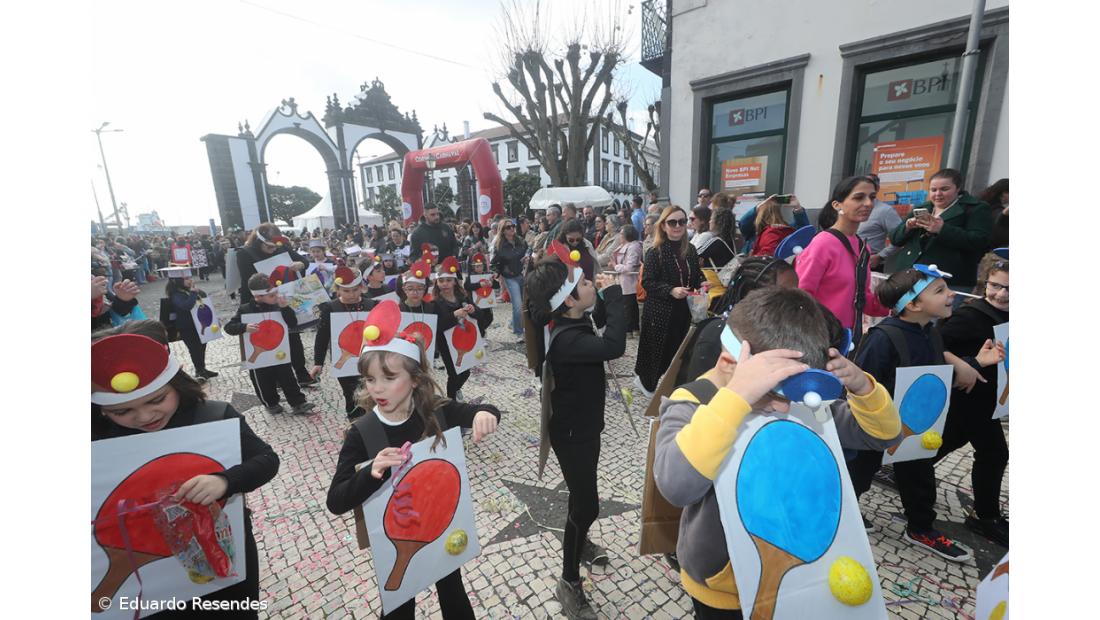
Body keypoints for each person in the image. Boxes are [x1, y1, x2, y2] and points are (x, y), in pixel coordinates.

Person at [653, 287, 900, 618]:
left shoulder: (799, 402)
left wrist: (862, 386)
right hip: (722, 586)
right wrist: (737, 398)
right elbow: (676, 485)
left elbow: (883, 435)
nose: (784, 408)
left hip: (796, 577)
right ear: (729, 363)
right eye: (772, 394)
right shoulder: (692, 403)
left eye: (791, 397)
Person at [325, 300, 500, 620]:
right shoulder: (362, 433)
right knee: (399, 606)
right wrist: (372, 471)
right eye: (370, 379)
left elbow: (479, 410)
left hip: (440, 523)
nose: (378, 389)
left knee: (453, 594)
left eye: (389, 378)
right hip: (396, 538)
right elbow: (336, 500)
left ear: (415, 379)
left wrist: (485, 414)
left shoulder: (436, 411)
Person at [92, 327, 279, 620]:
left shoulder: (214, 416)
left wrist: (225, 481)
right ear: (101, 410)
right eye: (122, 412)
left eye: (157, 400)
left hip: (223, 558)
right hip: (150, 586)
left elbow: (266, 460)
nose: (144, 416)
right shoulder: (95, 441)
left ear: (177, 385)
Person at [848, 265, 999, 563]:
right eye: (940, 291)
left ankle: (920, 527)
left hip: (915, 428)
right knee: (858, 473)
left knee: (920, 477)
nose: (951, 295)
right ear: (914, 304)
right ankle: (845, 514)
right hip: (876, 427)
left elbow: (933, 378)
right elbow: (860, 382)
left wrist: (976, 363)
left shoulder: (930, 332)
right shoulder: (883, 337)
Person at [525, 259, 625, 620]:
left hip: (584, 427)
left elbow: (598, 326)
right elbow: (614, 346)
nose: (592, 284)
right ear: (568, 300)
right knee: (587, 506)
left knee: (582, 500)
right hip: (572, 435)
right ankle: (568, 581)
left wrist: (600, 302)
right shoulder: (568, 340)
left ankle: (579, 540)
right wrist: (616, 296)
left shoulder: (573, 322)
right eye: (584, 283)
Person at [932, 253, 1010, 546]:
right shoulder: (970, 315)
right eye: (995, 285)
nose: (1001, 294)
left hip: (989, 398)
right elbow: (934, 344)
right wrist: (966, 364)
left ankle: (907, 472)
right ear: (985, 283)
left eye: (1009, 289)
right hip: (968, 397)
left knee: (950, 439)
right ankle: (985, 517)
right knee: (994, 453)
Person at [795, 177, 890, 349]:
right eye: (859, 197)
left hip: (848, 340)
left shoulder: (862, 246)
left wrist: (896, 302)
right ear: (837, 205)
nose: (868, 203)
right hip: (819, 340)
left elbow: (862, 297)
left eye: (872, 197)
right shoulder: (822, 244)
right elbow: (800, 296)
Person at [635, 205, 704, 395]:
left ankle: (672, 386)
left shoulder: (690, 250)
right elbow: (647, 282)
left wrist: (702, 283)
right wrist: (670, 290)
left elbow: (696, 275)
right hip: (659, 312)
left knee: (678, 352)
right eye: (672, 222)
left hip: (683, 311)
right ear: (663, 226)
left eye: (682, 221)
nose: (678, 226)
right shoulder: (655, 251)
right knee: (657, 352)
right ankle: (647, 384)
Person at [224, 273, 314, 416]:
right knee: (262, 380)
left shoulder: (279, 306)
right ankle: (270, 403)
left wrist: (285, 308)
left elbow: (292, 323)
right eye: (272, 295)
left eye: (276, 292)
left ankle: (298, 402)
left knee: (288, 377)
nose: (276, 296)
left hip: (279, 351)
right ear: (258, 297)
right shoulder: (246, 309)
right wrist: (244, 327)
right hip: (259, 357)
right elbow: (229, 327)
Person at [888, 168, 993, 287]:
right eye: (933, 190)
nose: (938, 194)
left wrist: (942, 229)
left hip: (948, 281)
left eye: (944, 189)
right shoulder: (922, 207)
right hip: (908, 277)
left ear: (958, 188)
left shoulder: (976, 208)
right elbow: (894, 239)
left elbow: (980, 241)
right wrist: (907, 227)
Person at [311, 266, 377, 420]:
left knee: (372, 391)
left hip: (370, 359)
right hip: (344, 363)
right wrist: (318, 362)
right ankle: (355, 424)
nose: (351, 294)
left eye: (355, 290)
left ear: (362, 287)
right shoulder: (330, 308)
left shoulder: (372, 305)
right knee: (351, 394)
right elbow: (322, 336)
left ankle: (374, 422)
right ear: (338, 290)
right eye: (346, 291)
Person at [434, 257, 490, 399]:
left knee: (466, 372)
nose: (445, 284)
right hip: (446, 344)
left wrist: (473, 310)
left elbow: (480, 315)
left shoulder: (462, 297)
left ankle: (456, 389)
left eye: (448, 280)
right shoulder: (435, 302)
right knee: (453, 373)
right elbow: (438, 325)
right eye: (441, 281)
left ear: (454, 281)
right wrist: (454, 315)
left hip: (464, 340)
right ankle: (451, 400)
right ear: (436, 282)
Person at [164, 267, 218, 380]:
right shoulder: (175, 294)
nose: (190, 280)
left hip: (198, 325)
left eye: (190, 278)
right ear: (177, 281)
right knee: (194, 349)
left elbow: (203, 300)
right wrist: (193, 293)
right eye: (186, 279)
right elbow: (187, 306)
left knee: (202, 346)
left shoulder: (188, 291)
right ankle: (199, 370)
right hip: (187, 327)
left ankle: (203, 369)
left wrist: (197, 292)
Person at [235, 223, 308, 305]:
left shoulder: (281, 248)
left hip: (285, 295)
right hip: (262, 299)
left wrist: (301, 264)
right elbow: (247, 282)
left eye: (277, 246)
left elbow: (304, 261)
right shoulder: (245, 253)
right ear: (259, 241)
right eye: (270, 246)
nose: (274, 249)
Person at [858, 174, 904, 271]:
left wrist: (881, 256)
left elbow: (902, 237)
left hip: (869, 265)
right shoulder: (851, 206)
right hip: (845, 261)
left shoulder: (885, 211)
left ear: (877, 188)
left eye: (869, 185)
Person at [491, 220, 528, 339]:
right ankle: (519, 332)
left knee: (522, 304)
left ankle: (512, 323)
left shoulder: (521, 241)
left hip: (523, 275)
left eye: (513, 226)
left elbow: (528, 251)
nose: (512, 228)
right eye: (508, 227)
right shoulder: (499, 245)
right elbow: (494, 263)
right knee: (517, 304)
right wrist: (496, 272)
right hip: (509, 277)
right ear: (503, 231)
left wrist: (527, 257)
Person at [737, 195, 809, 255]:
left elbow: (742, 223)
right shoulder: (786, 230)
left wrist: (758, 207)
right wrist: (797, 208)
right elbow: (804, 231)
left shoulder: (755, 234)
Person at [609, 224, 642, 336]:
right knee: (629, 306)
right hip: (623, 280)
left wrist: (615, 266)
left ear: (627, 234)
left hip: (629, 281)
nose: (620, 236)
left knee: (629, 307)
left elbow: (629, 268)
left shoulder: (634, 246)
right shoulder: (625, 245)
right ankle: (633, 329)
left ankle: (630, 330)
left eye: (621, 233)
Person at [981, 178, 1009, 251]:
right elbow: (999, 217)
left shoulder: (985, 203)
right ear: (1004, 193)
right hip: (989, 249)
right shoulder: (995, 209)